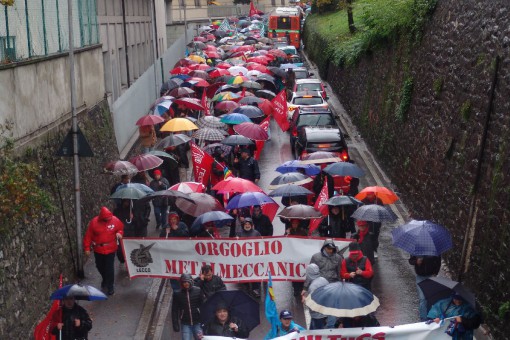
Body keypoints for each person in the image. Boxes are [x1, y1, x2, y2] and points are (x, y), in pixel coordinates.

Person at [83, 207, 124, 295]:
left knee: (109, 268)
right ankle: (105, 279)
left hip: (111, 249)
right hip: (98, 249)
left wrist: (119, 233)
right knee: (99, 266)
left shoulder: (115, 220)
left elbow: (120, 228)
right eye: (106, 219)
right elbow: (88, 236)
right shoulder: (94, 222)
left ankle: (110, 286)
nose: (108, 220)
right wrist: (87, 248)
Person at [172, 274, 205, 340]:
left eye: (187, 282)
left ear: (191, 282)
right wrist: (175, 324)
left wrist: (205, 320)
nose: (186, 284)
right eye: (184, 282)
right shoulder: (177, 294)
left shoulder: (198, 291)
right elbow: (174, 310)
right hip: (185, 323)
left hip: (197, 322)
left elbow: (204, 306)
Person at [409, 255, 441, 321]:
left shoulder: (434, 250)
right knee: (423, 298)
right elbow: (411, 260)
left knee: (430, 297)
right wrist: (416, 262)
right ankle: (423, 319)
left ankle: (429, 315)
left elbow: (438, 261)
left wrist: (435, 273)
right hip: (420, 277)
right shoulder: (417, 250)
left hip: (431, 276)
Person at [236, 218, 262, 297]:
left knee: (255, 272)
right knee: (245, 272)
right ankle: (246, 287)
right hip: (243, 258)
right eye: (246, 224)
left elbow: (261, 243)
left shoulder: (256, 233)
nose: (247, 226)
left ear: (251, 225)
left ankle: (256, 289)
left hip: (254, 258)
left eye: (248, 224)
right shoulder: (239, 234)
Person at [301, 264, 328, 330]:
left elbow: (312, 304)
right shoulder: (323, 280)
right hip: (326, 312)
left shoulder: (312, 286)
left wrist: (304, 299)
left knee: (316, 335)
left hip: (317, 316)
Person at [361, 192, 383, 257]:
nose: (369, 196)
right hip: (367, 222)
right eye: (367, 195)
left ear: (373, 194)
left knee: (375, 237)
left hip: (376, 222)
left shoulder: (378, 200)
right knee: (367, 237)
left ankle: (374, 249)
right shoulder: (363, 201)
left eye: (370, 194)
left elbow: (382, 210)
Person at [113, 199, 136, 264]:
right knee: (120, 249)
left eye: (128, 202)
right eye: (126, 201)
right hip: (120, 232)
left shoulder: (131, 210)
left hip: (130, 231)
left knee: (129, 247)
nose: (127, 203)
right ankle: (122, 259)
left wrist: (132, 218)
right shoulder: (117, 210)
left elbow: (135, 222)